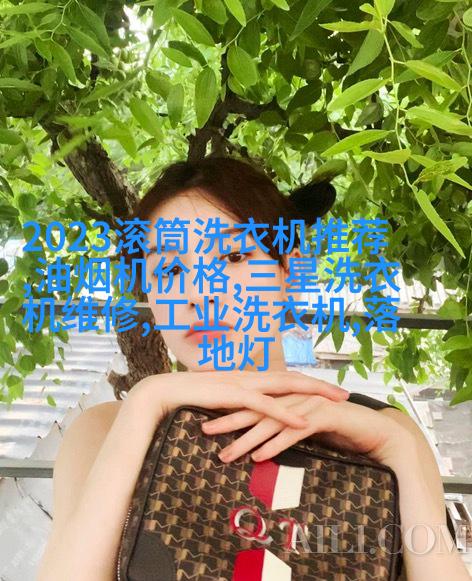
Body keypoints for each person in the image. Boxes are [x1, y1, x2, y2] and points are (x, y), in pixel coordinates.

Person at [37, 156, 469, 580]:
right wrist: (147, 401)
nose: (200, 292)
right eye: (169, 269)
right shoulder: (105, 432)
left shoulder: (384, 434)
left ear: (288, 272)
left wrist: (400, 454)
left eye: (233, 256)